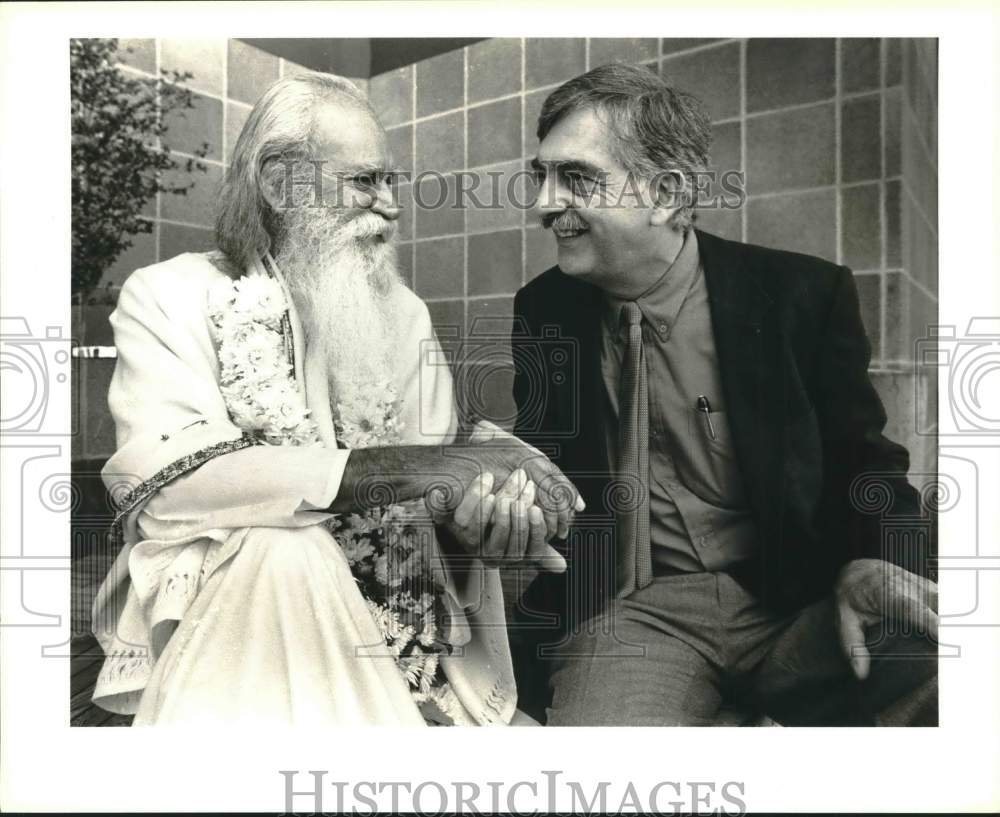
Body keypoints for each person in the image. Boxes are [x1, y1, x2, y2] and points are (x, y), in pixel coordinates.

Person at [90, 71, 582, 727]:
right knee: (284, 549)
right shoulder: (168, 296)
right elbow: (177, 485)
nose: (391, 205)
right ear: (278, 184)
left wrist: (477, 518)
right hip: (238, 624)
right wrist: (423, 469)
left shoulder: (402, 312)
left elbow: (430, 498)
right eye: (365, 181)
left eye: (391, 182)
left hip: (403, 628)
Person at [508, 63, 938, 726]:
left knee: (947, 663)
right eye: (541, 175)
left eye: (576, 178)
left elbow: (865, 458)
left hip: (800, 598)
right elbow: (545, 469)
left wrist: (876, 560)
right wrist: (501, 500)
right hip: (635, 616)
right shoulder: (544, 310)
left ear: (666, 192)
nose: (542, 203)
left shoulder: (802, 296)